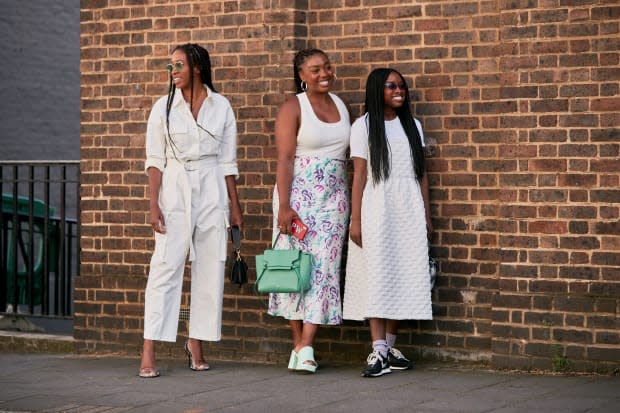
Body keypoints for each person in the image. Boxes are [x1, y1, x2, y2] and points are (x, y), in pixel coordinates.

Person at [139, 43, 243, 378]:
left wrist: (235, 208)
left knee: (211, 266)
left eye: (179, 65)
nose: (173, 72)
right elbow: (155, 160)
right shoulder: (162, 108)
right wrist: (153, 203)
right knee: (166, 267)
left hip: (213, 186)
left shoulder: (221, 106)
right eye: (170, 66)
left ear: (197, 67)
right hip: (175, 187)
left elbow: (228, 162)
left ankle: (195, 342)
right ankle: (149, 349)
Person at [343, 68, 433, 377]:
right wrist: (355, 220)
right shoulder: (363, 127)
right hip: (377, 206)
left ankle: (390, 347)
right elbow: (359, 176)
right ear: (376, 90)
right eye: (391, 86)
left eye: (401, 85)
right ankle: (378, 349)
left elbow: (421, 175)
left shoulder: (413, 126)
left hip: (408, 206)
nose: (398, 90)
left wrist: (426, 216)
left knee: (404, 274)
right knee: (378, 274)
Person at [268, 48, 351, 373]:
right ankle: (300, 346)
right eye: (315, 69)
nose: (324, 73)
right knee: (292, 270)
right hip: (298, 199)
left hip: (333, 202)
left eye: (327, 67)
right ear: (301, 75)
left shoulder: (341, 105)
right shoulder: (293, 106)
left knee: (325, 271)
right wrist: (284, 206)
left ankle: (305, 345)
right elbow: (285, 158)